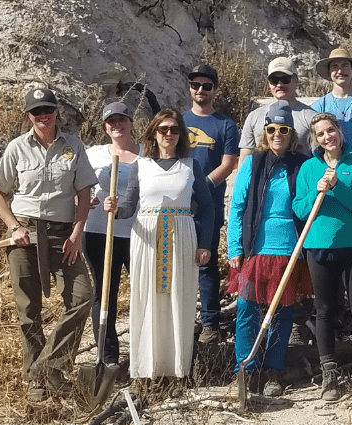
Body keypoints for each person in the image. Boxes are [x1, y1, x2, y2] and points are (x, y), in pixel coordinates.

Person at [0, 86, 96, 402]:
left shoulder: (73, 146)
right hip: (25, 237)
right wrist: (14, 226)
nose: (43, 115)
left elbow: (84, 193)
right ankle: (38, 382)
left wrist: (77, 233)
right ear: (28, 115)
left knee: (82, 296)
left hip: (63, 236)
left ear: (57, 111)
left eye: (48, 109)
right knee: (28, 309)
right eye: (36, 111)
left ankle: (49, 366)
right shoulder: (17, 147)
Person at [104, 109, 215, 383]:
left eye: (174, 129)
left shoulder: (190, 166)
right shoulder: (141, 166)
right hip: (147, 239)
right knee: (147, 299)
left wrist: (204, 245)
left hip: (182, 236)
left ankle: (177, 370)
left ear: (181, 134)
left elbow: (208, 208)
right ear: (153, 133)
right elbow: (129, 206)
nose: (169, 134)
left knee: (179, 299)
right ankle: (147, 369)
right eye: (163, 129)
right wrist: (114, 209)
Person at [226, 103, 310, 398]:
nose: (277, 134)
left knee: (283, 311)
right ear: (265, 131)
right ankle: (246, 368)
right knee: (247, 308)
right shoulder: (253, 163)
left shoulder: (302, 164)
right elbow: (237, 208)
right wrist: (234, 247)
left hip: (290, 248)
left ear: (291, 133)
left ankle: (274, 370)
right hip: (256, 249)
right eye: (272, 129)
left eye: (283, 129)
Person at [294, 112, 352, 401]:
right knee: (324, 309)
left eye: (331, 130)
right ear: (315, 139)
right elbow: (300, 209)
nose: (327, 137)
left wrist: (337, 186)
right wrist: (316, 190)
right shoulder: (308, 168)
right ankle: (329, 374)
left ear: (339, 132)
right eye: (320, 134)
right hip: (319, 245)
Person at [183, 63, 239, 344]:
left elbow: (228, 164)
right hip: (178, 206)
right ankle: (182, 319)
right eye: (196, 85)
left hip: (209, 206)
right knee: (179, 262)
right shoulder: (178, 121)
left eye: (206, 86)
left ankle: (210, 323)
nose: (200, 90)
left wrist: (200, 191)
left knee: (205, 262)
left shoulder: (225, 125)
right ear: (190, 88)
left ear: (214, 90)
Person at [83, 102, 141, 371]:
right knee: (104, 292)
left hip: (137, 233)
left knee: (142, 292)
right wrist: (81, 201)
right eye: (111, 121)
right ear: (105, 126)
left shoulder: (146, 154)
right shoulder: (93, 154)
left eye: (121, 119)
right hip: (99, 231)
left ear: (131, 122)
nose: (117, 125)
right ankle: (108, 358)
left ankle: (143, 352)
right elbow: (76, 184)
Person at [241, 57, 316, 158]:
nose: (279, 85)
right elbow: (245, 156)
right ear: (269, 84)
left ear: (296, 81)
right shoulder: (254, 116)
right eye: (274, 80)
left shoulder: (311, 117)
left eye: (285, 79)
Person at [311, 48, 352, 157]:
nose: (340, 71)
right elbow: (316, 144)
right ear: (329, 72)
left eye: (344, 66)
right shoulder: (318, 107)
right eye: (335, 67)